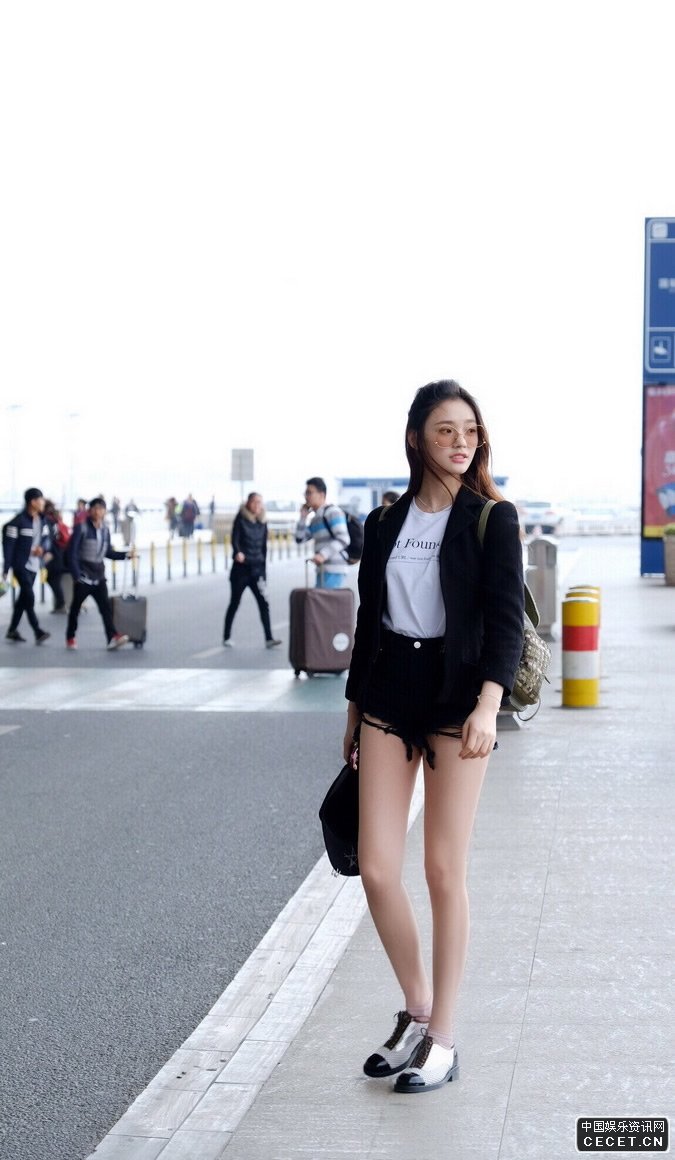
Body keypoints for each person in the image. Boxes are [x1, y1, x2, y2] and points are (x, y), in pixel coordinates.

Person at [343, 380, 524, 1093]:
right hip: (389, 694)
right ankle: (417, 1006)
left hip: (458, 700)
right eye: (446, 430)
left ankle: (442, 1039)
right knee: (376, 868)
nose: (460, 442)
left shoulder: (491, 519)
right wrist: (353, 711)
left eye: (470, 431)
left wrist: (488, 705)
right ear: (416, 437)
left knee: (443, 871)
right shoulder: (384, 521)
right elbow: (369, 619)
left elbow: (505, 622)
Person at [66, 497, 135, 651]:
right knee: (75, 608)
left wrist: (125, 555)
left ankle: (112, 637)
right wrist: (76, 575)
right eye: (95, 508)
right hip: (84, 578)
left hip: (99, 577)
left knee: (106, 609)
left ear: (105, 511)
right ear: (89, 511)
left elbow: (108, 552)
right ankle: (70, 637)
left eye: (101, 509)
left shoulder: (105, 530)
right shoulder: (81, 528)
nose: (98, 512)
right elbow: (72, 553)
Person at [223, 493, 281, 649]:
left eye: (260, 502)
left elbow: (263, 547)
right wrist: (237, 553)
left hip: (258, 570)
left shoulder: (263, 522)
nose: (257, 505)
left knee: (264, 603)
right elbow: (235, 539)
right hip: (241, 570)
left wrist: (264, 572)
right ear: (248, 503)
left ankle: (269, 638)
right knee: (235, 602)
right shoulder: (241, 519)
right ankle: (226, 636)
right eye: (254, 502)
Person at [2, 487, 52, 644]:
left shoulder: (42, 520)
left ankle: (12, 630)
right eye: (41, 499)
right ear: (33, 502)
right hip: (20, 565)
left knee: (23, 599)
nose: (43, 502)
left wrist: (42, 549)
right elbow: (9, 547)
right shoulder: (17, 522)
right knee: (29, 596)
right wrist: (5, 570)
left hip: (34, 565)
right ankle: (37, 631)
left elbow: (47, 538)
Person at [295, 477, 350, 588]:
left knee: (327, 599)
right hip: (322, 569)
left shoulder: (333, 512)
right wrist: (302, 517)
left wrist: (322, 555)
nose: (306, 497)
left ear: (321, 494)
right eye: (305, 493)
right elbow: (299, 538)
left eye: (309, 493)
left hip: (334, 570)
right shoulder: (316, 519)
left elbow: (344, 539)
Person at [43, 499, 71, 613]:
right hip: (60, 553)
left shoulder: (46, 520)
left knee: (52, 579)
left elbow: (48, 539)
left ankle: (61, 603)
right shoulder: (55, 519)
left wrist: (47, 552)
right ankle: (61, 604)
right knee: (54, 579)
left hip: (54, 555)